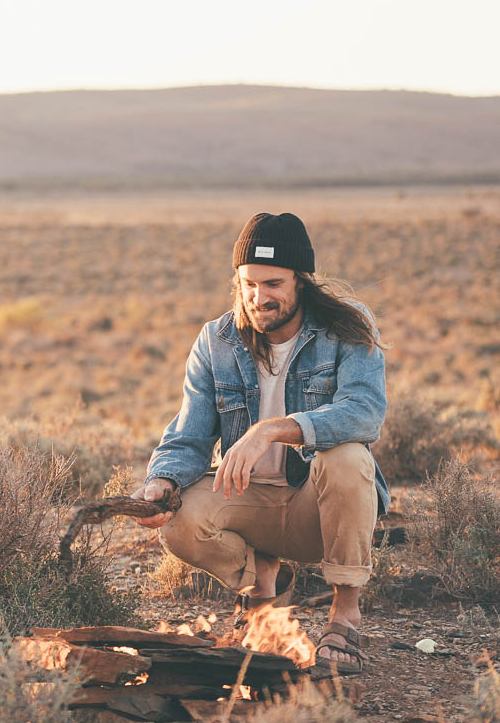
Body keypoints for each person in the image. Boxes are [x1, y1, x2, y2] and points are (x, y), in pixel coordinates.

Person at [131, 212, 388, 675]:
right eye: (248, 284)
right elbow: (189, 435)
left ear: (300, 281)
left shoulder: (346, 328)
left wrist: (272, 429)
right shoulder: (217, 340)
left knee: (349, 456)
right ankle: (262, 585)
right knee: (179, 520)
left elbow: (364, 413)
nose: (258, 297)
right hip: (252, 503)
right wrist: (160, 484)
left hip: (318, 508)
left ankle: (345, 613)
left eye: (272, 283)